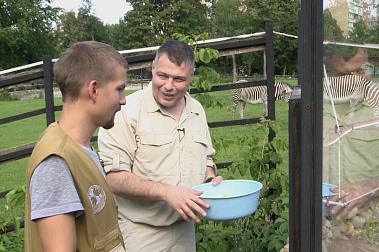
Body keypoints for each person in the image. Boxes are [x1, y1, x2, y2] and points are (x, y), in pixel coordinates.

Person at [97, 39, 222, 251]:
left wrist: (210, 179)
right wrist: (167, 193)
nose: (168, 86)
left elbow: (205, 159)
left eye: (179, 79)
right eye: (162, 75)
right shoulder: (126, 111)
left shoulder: (196, 110)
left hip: (185, 230)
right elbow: (113, 179)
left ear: (191, 76)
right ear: (153, 68)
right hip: (141, 233)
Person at [24, 41, 128, 251]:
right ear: (94, 89)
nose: (123, 100)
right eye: (119, 89)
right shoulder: (55, 161)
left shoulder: (79, 147)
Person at [323, 45, 379, 221]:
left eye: (364, 69)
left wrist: (367, 188)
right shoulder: (311, 105)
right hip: (323, 220)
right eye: (350, 73)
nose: (364, 77)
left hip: (371, 221)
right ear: (330, 75)